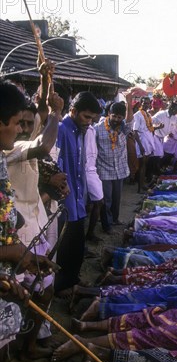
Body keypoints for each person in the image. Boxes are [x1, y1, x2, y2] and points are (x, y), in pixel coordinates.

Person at [5, 70, 64, 359]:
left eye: (29, 123)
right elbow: (44, 143)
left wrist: (44, 78)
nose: (24, 128)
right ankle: (20, 347)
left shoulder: (19, 138)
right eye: (20, 122)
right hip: (16, 234)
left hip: (36, 222)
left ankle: (28, 344)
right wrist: (57, 113)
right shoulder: (11, 150)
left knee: (42, 290)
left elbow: (40, 111)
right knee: (22, 295)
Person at [55, 92, 102, 297]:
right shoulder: (61, 130)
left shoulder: (81, 132)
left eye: (92, 118)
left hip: (78, 199)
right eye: (86, 117)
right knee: (64, 249)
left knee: (76, 246)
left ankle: (73, 280)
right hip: (65, 201)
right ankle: (62, 287)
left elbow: (82, 167)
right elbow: (56, 167)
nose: (89, 122)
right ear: (73, 111)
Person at [95, 95, 133, 234]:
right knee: (107, 199)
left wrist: (129, 101)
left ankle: (115, 219)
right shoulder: (98, 129)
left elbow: (130, 120)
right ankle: (107, 225)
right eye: (114, 116)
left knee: (117, 198)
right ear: (109, 114)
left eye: (119, 117)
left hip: (120, 170)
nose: (116, 119)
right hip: (104, 170)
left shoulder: (123, 128)